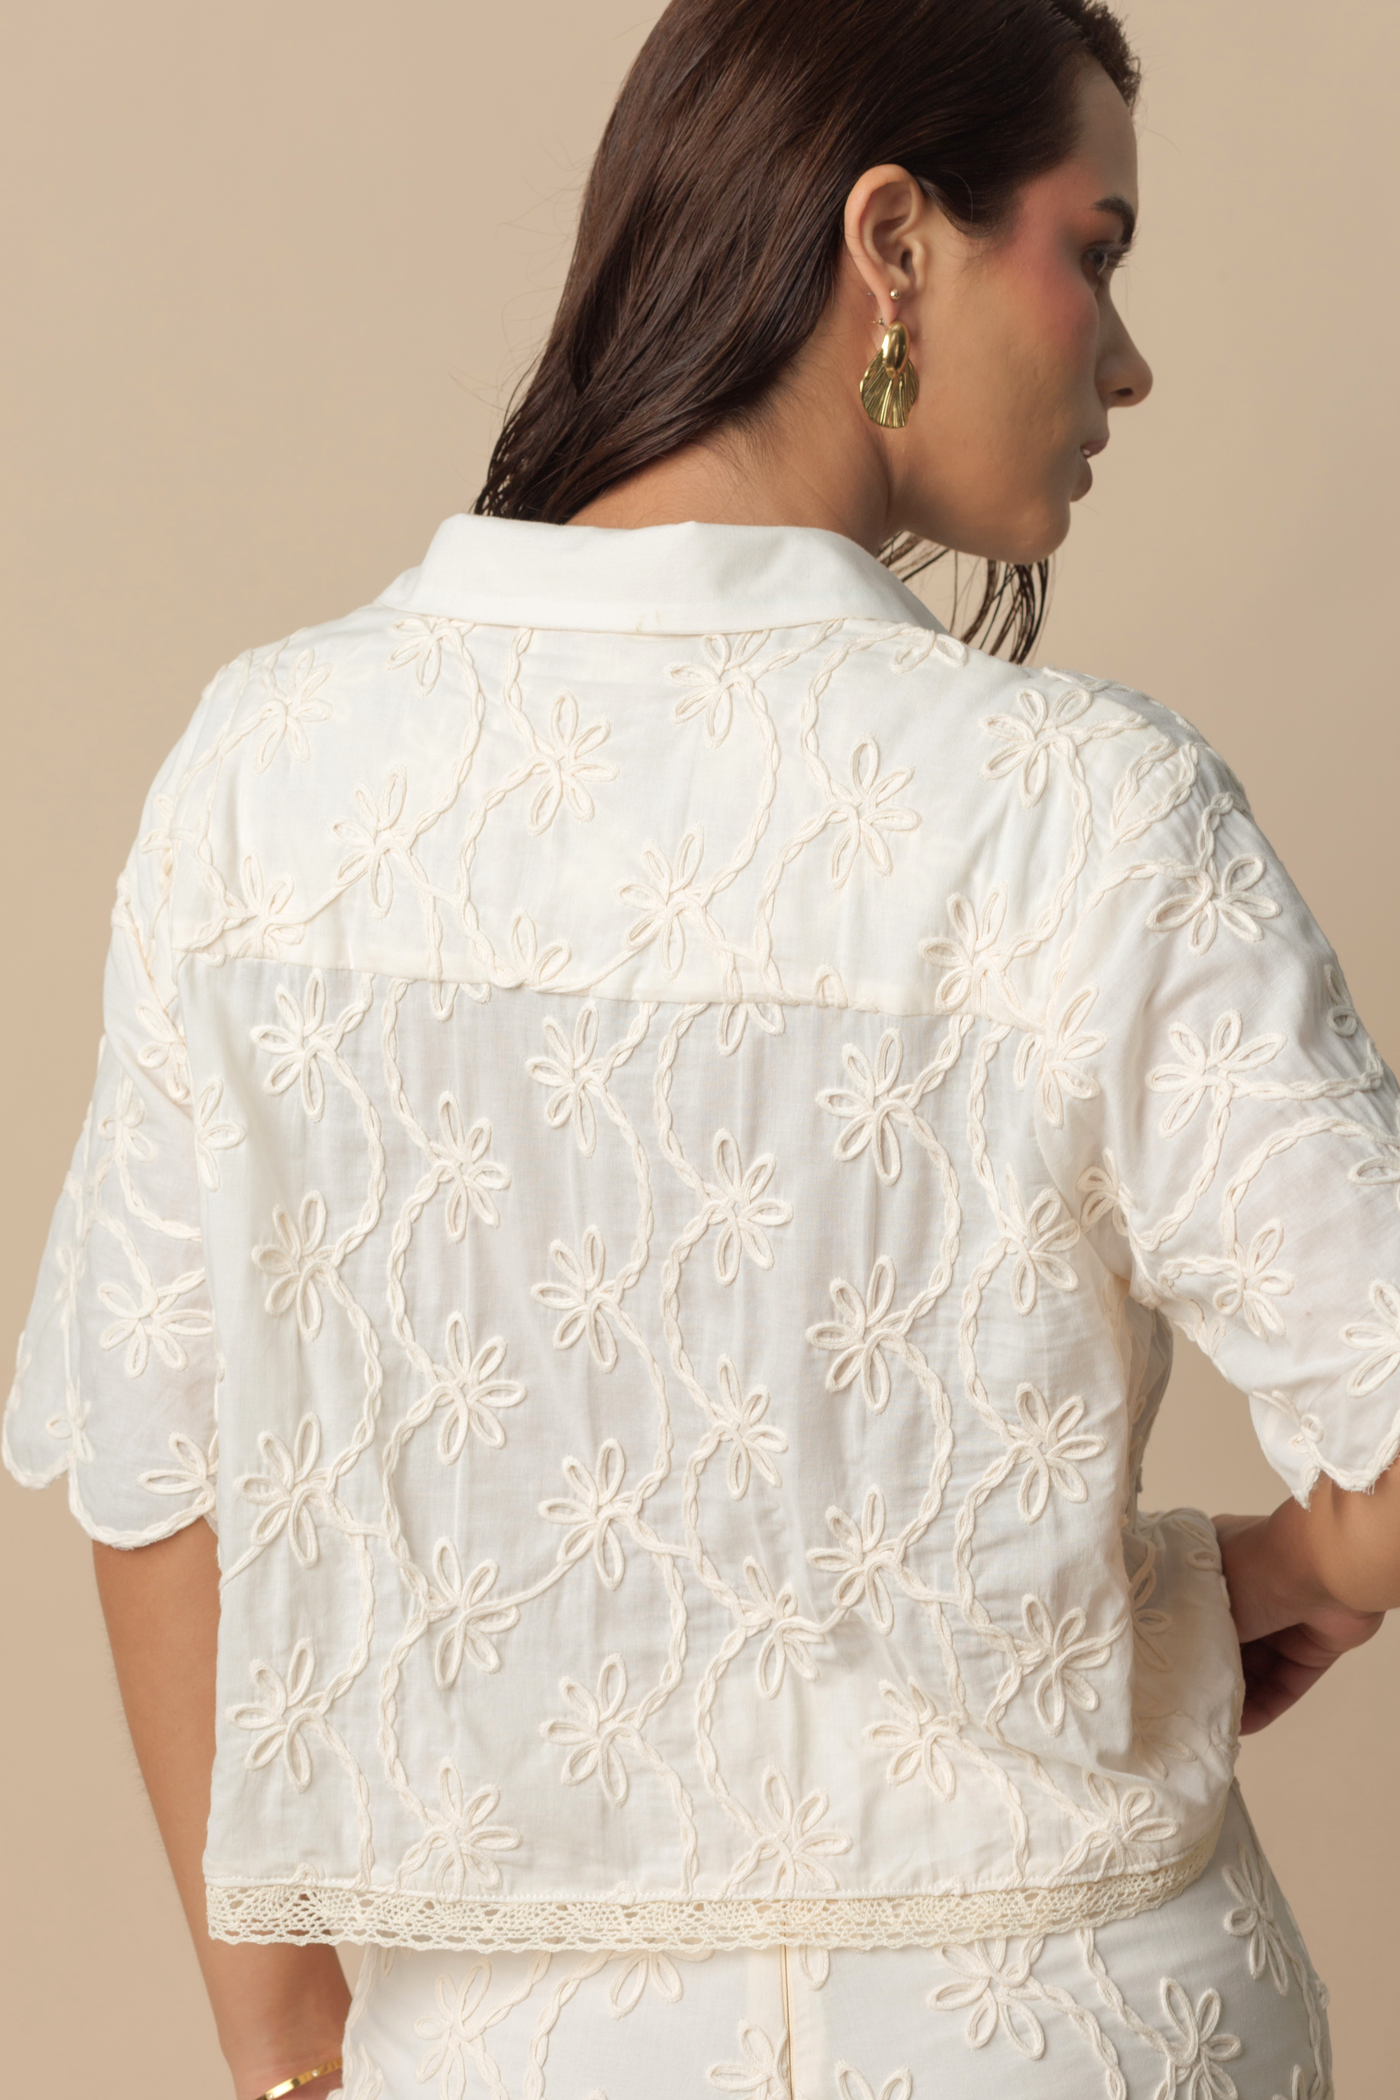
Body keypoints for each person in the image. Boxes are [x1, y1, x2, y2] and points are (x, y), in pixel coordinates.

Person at [6, 0, 1398, 2092]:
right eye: (1093, 251)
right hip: (1077, 2027)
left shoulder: (267, 776)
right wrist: (1293, 1568)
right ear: (891, 241)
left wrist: (291, 2053)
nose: (1125, 361)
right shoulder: (1087, 810)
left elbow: (156, 1470)